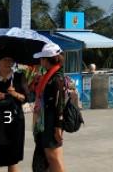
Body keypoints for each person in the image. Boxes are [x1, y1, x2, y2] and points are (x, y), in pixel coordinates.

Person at [31, 44, 71, 172]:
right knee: (50, 158)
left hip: (52, 123)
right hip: (47, 122)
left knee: (53, 158)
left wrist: (58, 127)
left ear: (47, 59)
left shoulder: (56, 78)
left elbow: (59, 103)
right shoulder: (49, 76)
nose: (40, 61)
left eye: (42, 58)